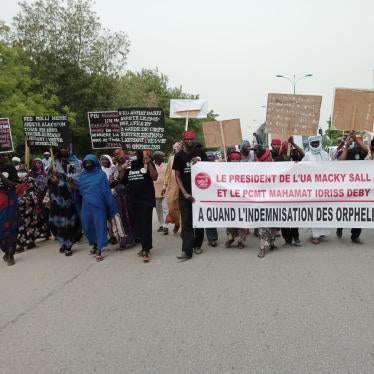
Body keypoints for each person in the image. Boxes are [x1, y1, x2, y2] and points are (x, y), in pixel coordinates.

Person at [173, 130, 208, 261]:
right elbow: (177, 176)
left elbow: (211, 168)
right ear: (183, 141)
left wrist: (199, 160)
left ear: (195, 140)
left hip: (200, 194)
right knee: (187, 222)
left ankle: (198, 245)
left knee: (198, 221)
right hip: (185, 195)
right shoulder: (179, 156)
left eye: (191, 139)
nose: (189, 142)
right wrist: (185, 193)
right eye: (187, 140)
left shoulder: (200, 153)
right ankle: (186, 251)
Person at [78, 155, 118, 262]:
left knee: (99, 226)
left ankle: (99, 249)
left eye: (89, 162)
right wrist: (70, 182)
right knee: (86, 225)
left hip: (99, 205)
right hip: (86, 205)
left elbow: (106, 191)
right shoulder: (82, 176)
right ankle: (94, 243)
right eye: (85, 163)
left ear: (94, 163)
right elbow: (79, 188)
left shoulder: (101, 175)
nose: (87, 164)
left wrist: (109, 205)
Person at [121, 150, 158, 262]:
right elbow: (121, 179)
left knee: (145, 225)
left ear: (139, 155)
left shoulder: (146, 163)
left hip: (146, 200)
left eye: (134, 154)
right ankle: (145, 246)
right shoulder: (128, 166)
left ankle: (146, 249)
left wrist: (149, 162)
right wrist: (123, 168)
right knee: (138, 225)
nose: (132, 156)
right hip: (133, 200)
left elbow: (154, 177)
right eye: (130, 154)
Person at [48, 146, 82, 256]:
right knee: (57, 221)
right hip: (56, 198)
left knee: (68, 221)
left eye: (65, 149)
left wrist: (62, 176)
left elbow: (75, 179)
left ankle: (68, 245)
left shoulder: (73, 163)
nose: (63, 151)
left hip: (69, 198)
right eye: (61, 148)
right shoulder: (53, 163)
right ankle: (62, 242)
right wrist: (52, 178)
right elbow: (48, 179)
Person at [335, 132, 369, 244]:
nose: (353, 142)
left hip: (359, 189)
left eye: (354, 140)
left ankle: (355, 236)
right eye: (352, 140)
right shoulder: (345, 150)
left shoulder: (361, 152)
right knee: (345, 211)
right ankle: (340, 227)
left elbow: (367, 150)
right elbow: (340, 161)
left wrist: (356, 139)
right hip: (346, 188)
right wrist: (346, 145)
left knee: (358, 212)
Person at [274, 137, 304, 247]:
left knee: (294, 217)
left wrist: (294, 144)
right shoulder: (278, 160)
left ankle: (296, 238)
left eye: (290, 147)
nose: (289, 149)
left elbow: (304, 155)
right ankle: (287, 240)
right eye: (287, 147)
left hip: (294, 192)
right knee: (284, 218)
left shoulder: (296, 157)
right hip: (281, 193)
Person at [302, 135, 330, 244]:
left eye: (316, 143)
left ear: (319, 143)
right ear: (310, 144)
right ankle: (315, 235)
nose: (314, 145)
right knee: (314, 210)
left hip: (324, 188)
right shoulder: (307, 155)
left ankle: (321, 232)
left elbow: (332, 169)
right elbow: (302, 169)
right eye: (312, 143)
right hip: (312, 189)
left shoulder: (325, 155)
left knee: (323, 211)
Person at [17, 159, 50, 252]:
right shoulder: (16, 181)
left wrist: (33, 201)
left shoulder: (31, 180)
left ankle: (31, 242)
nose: (21, 173)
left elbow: (35, 191)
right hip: (19, 207)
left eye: (23, 171)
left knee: (32, 224)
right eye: (20, 171)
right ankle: (21, 244)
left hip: (31, 206)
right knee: (21, 226)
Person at [110, 150, 136, 249]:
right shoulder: (114, 168)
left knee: (132, 215)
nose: (118, 155)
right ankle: (124, 240)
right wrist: (122, 169)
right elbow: (112, 182)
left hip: (131, 194)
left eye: (120, 153)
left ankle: (136, 237)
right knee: (121, 217)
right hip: (119, 196)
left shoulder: (132, 163)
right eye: (116, 154)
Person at [254, 146, 276, 258]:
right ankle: (262, 248)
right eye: (270, 156)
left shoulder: (275, 167)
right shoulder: (256, 170)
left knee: (273, 223)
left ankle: (271, 243)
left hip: (274, 199)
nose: (272, 157)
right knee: (262, 226)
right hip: (261, 200)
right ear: (266, 158)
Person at [225, 150, 248, 249]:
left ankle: (240, 241)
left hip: (242, 199)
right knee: (230, 219)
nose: (235, 161)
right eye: (233, 159)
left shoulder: (245, 170)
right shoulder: (224, 170)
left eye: (237, 159)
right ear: (230, 160)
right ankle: (231, 237)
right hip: (230, 199)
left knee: (243, 220)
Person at [0, 154, 19, 266]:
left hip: (9, 199)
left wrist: (1, 176)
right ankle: (5, 249)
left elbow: (14, 184)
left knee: (11, 226)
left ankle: (10, 253)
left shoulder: (9, 168)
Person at [162, 142, 181, 234]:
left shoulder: (185, 157)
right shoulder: (171, 159)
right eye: (176, 147)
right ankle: (177, 223)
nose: (177, 148)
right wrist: (164, 186)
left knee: (183, 208)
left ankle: (184, 228)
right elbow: (167, 173)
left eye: (179, 147)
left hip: (183, 188)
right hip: (172, 188)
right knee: (171, 207)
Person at [100, 154, 119, 245]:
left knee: (115, 215)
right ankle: (111, 236)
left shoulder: (114, 168)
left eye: (105, 159)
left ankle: (118, 234)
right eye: (102, 159)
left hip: (114, 194)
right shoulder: (99, 170)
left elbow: (117, 179)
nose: (104, 161)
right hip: (104, 195)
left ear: (109, 160)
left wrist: (113, 180)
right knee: (108, 218)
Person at [153, 151, 169, 235]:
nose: (164, 158)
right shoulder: (151, 166)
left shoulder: (166, 165)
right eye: (162, 156)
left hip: (165, 189)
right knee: (158, 209)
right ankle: (161, 224)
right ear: (156, 158)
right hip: (155, 190)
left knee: (165, 208)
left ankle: (166, 226)